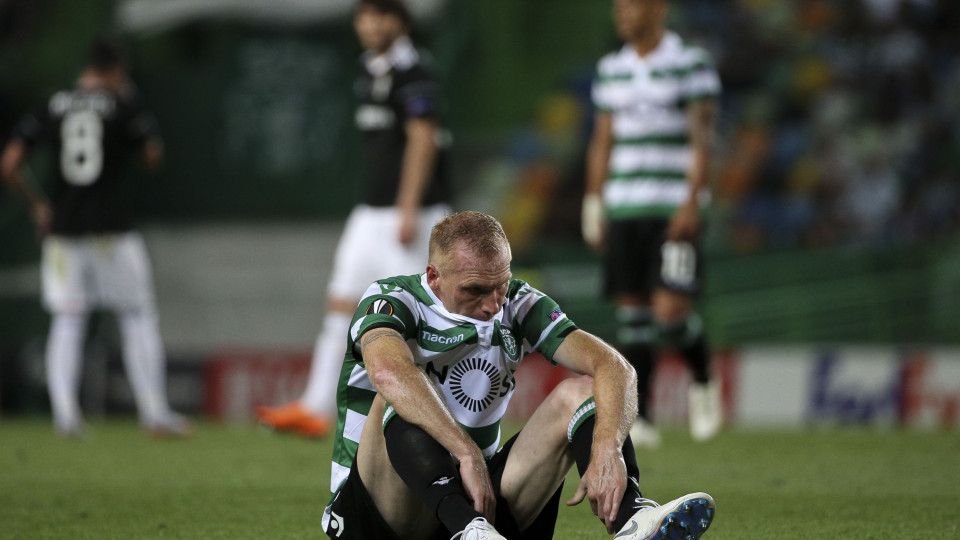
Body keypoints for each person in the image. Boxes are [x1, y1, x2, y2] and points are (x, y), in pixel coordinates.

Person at [321, 211, 715, 540]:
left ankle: (632, 521)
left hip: (481, 501)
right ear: (435, 276)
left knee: (584, 393)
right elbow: (387, 372)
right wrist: (465, 450)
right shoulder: (393, 299)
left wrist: (606, 447)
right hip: (381, 512)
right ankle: (468, 528)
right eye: (476, 290)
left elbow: (616, 367)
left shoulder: (519, 303)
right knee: (399, 390)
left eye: (501, 286)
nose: (493, 304)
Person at [255, 0, 452, 438]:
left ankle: (447, 408)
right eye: (364, 15)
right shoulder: (371, 69)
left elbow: (424, 140)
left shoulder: (414, 71)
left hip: (410, 213)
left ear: (399, 22)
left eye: (380, 15)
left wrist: (407, 206)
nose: (370, 24)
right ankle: (315, 408)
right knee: (343, 304)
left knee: (427, 318)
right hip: (370, 212)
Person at [0, 36, 190, 437]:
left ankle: (66, 417)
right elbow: (151, 156)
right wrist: (134, 108)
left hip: (64, 227)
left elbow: (10, 162)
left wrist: (37, 204)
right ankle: (154, 414)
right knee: (137, 315)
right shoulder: (121, 103)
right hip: (112, 229)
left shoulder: (52, 103)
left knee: (68, 319)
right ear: (116, 69)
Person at [582, 0, 723, 448]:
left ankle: (703, 378)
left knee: (670, 312)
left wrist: (694, 199)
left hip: (670, 206)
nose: (622, 12)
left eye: (631, 4)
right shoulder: (611, 69)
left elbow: (703, 137)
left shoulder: (690, 63)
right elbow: (602, 139)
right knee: (633, 315)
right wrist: (594, 200)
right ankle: (642, 418)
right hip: (624, 206)